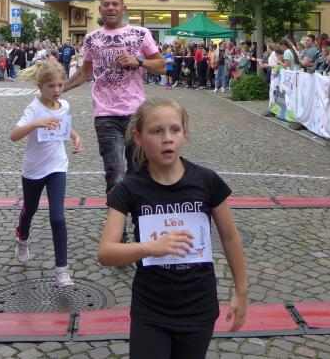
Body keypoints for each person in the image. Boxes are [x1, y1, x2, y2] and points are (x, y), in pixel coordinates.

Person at [98, 98, 247, 358]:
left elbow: (230, 237)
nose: (167, 138)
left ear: (184, 133)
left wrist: (241, 291)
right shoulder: (128, 189)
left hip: (199, 308)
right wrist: (151, 247)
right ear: (138, 138)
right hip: (151, 311)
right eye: (156, 131)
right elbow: (106, 253)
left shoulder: (207, 181)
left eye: (174, 130)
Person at [63, 0, 165, 203]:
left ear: (123, 8)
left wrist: (138, 61)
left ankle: (139, 219)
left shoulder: (140, 33)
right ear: (100, 9)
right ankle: (117, 223)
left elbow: (162, 66)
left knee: (139, 173)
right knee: (115, 176)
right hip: (106, 116)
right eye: (106, 4)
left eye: (115, 4)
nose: (111, 8)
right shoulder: (91, 39)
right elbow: (84, 73)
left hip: (137, 115)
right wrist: (58, 89)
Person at [11, 60, 81, 288]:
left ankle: (62, 271)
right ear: (40, 86)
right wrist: (36, 123)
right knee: (29, 210)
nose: (57, 90)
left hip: (57, 166)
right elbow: (14, 135)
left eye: (60, 85)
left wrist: (75, 136)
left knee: (57, 217)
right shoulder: (33, 108)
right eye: (52, 86)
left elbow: (63, 124)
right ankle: (22, 237)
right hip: (33, 169)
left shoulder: (64, 105)